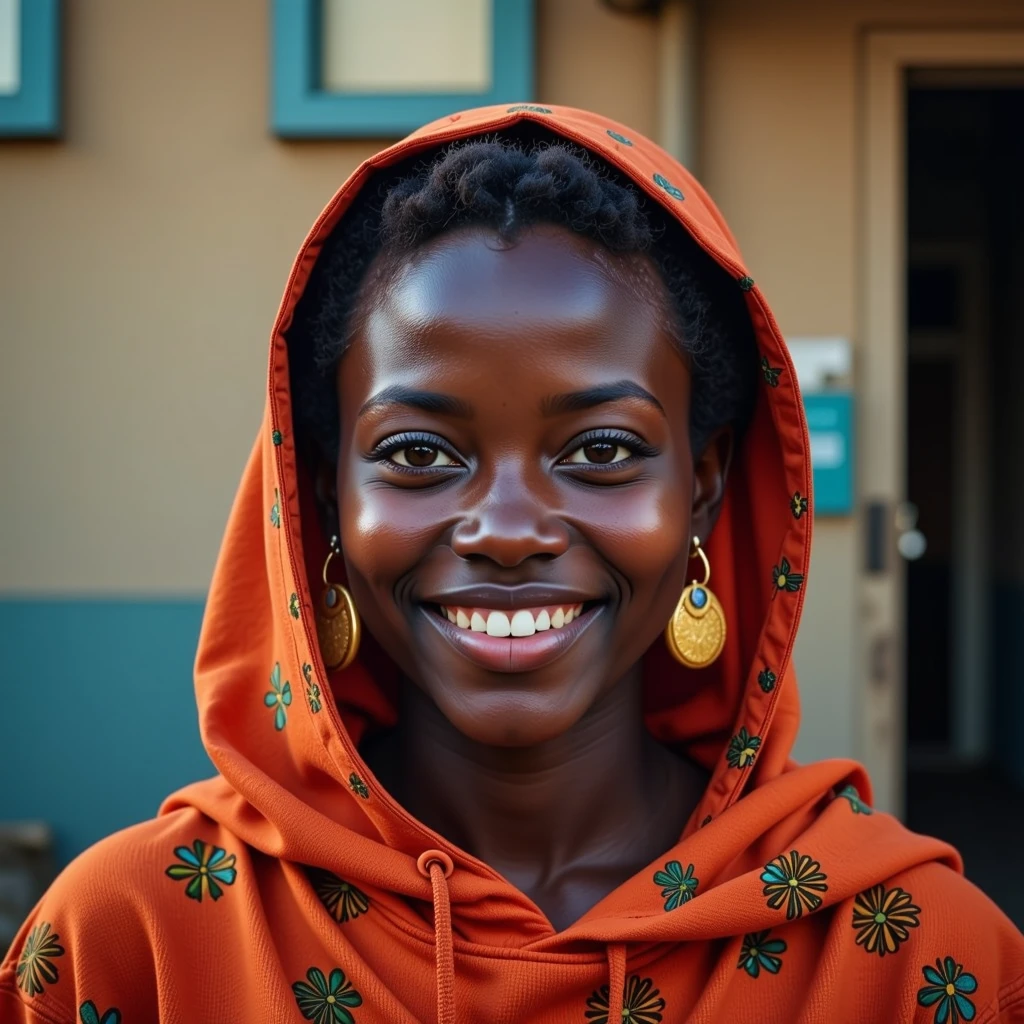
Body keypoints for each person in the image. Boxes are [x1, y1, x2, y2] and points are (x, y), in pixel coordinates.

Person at [2, 104, 1022, 1024]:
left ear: (702, 484)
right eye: (418, 453)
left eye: (602, 449)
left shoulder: (912, 956)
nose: (506, 526)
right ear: (321, 497)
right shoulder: (133, 942)